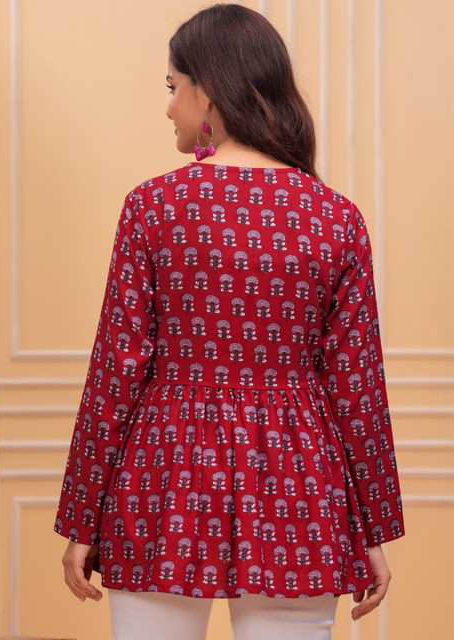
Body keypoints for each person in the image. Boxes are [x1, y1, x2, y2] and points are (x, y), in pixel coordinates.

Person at [54, 4, 405, 639]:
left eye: (173, 86)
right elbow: (356, 388)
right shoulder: (337, 218)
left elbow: (117, 370)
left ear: (208, 90)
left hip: (164, 477)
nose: (169, 107)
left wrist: (82, 517)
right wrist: (373, 530)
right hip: (299, 487)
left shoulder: (152, 207)